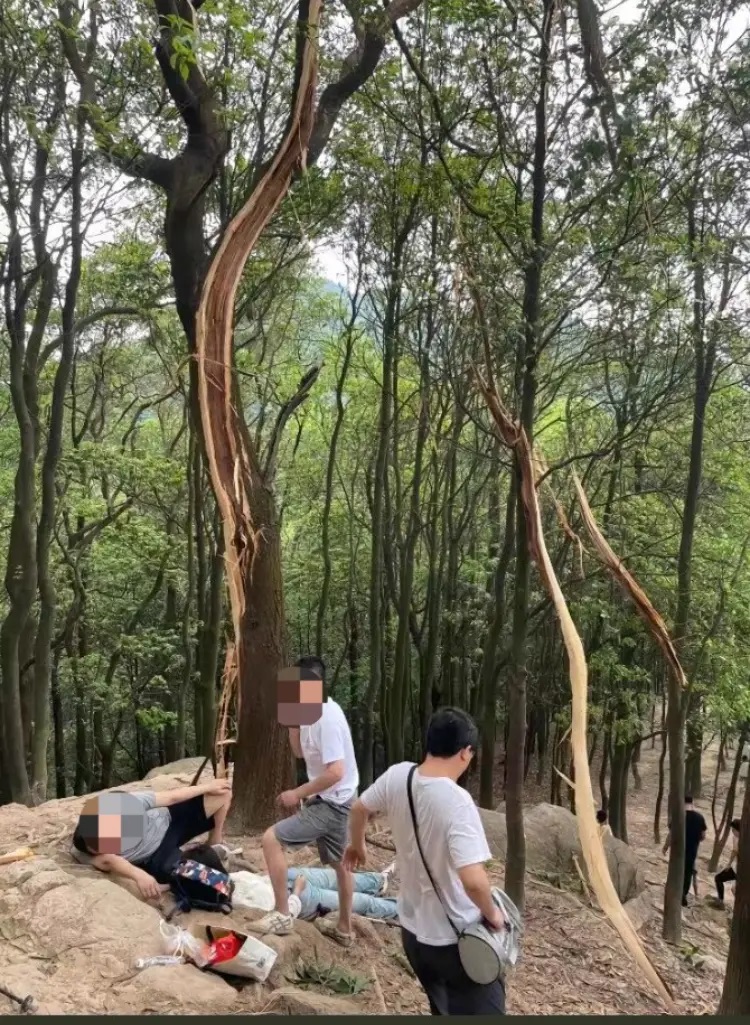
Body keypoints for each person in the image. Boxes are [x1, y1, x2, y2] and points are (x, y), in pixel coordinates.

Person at [345, 707, 507, 1016]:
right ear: (465, 752)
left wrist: (356, 845)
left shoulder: (398, 776)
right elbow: (473, 881)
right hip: (455, 940)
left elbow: (358, 808)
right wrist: (493, 915)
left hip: (414, 934)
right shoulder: (457, 802)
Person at [251, 655, 359, 945]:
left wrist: (296, 793)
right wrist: (292, 724)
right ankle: (345, 929)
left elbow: (336, 771)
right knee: (341, 865)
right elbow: (300, 753)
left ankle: (282, 913)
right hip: (338, 799)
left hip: (332, 803)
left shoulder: (328, 718)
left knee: (271, 839)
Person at [70, 779, 232, 900]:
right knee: (216, 882)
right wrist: (140, 876)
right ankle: (178, 880)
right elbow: (111, 861)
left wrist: (208, 786)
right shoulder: (83, 851)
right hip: (157, 855)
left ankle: (214, 842)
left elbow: (171, 798)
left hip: (169, 820)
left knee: (223, 793)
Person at [663, 794, 707, 907]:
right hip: (692, 851)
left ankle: (673, 892)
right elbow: (703, 836)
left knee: (675, 870)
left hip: (677, 850)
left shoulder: (678, 816)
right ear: (692, 803)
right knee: (687, 873)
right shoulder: (700, 817)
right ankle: (683, 894)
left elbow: (671, 834)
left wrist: (665, 846)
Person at [714, 819, 741, 907]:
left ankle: (738, 908)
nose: (732, 832)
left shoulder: (741, 838)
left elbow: (735, 850)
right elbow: (735, 851)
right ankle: (721, 901)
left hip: (741, 870)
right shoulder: (737, 837)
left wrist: (729, 864)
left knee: (734, 889)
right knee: (719, 878)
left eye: (733, 830)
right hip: (737, 868)